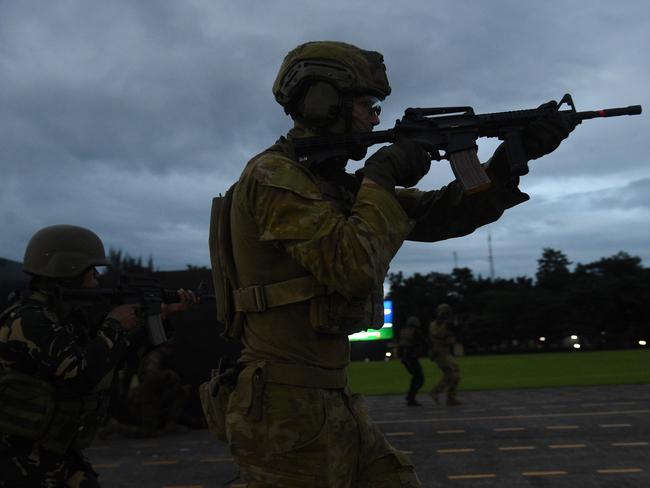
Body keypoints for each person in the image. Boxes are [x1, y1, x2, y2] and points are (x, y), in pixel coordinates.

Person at [213, 41, 576, 487]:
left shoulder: (334, 186)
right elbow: (351, 266)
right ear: (321, 102)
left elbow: (442, 212)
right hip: (285, 410)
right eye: (368, 104)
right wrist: (381, 176)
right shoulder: (273, 176)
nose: (376, 117)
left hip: (328, 398)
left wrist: (507, 164)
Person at [0, 225, 195, 487]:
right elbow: (80, 374)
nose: (96, 277)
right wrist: (113, 325)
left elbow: (113, 358)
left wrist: (160, 319)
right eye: (91, 270)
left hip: (53, 451)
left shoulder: (64, 318)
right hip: (18, 458)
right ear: (68, 270)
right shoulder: (29, 321)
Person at [428, 303, 462, 406]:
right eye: (444, 313)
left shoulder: (447, 324)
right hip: (439, 351)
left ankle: (450, 398)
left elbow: (452, 336)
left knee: (455, 374)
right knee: (452, 375)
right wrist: (445, 325)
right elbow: (437, 335)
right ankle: (435, 392)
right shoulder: (434, 325)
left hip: (446, 351)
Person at [398, 316, 425, 406]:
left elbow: (401, 346)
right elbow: (421, 343)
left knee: (416, 377)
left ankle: (410, 397)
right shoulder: (415, 332)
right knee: (419, 378)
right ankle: (411, 397)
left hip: (406, 358)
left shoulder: (403, 331)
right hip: (412, 357)